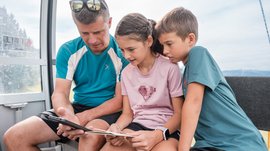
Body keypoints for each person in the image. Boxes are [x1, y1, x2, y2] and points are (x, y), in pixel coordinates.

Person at [3, 0, 128, 151]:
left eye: (98, 32)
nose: (92, 40)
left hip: (108, 111)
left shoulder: (123, 54)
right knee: (14, 137)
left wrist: (82, 118)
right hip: (77, 108)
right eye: (85, 33)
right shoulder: (68, 50)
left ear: (109, 22)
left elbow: (119, 101)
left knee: (89, 140)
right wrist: (67, 116)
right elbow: (60, 93)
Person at [156, 7, 268, 151]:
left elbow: (194, 103)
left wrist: (183, 149)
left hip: (240, 142)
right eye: (162, 45)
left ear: (190, 39)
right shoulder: (186, 73)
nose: (165, 51)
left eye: (169, 44)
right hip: (211, 145)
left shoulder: (198, 53)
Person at [100, 13, 184, 151]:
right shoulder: (126, 73)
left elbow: (179, 114)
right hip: (136, 127)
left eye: (131, 49)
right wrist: (116, 128)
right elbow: (128, 114)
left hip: (167, 129)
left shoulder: (170, 68)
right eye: (122, 50)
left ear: (149, 41)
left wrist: (156, 136)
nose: (126, 56)